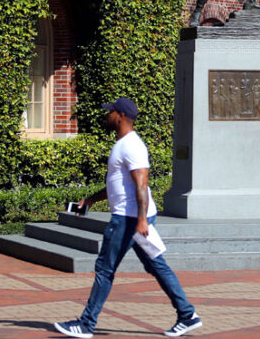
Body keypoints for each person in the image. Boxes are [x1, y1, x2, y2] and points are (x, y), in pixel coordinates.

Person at [54, 97, 202, 338]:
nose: (106, 115)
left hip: (128, 219)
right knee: (156, 265)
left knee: (104, 268)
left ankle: (86, 324)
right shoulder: (123, 144)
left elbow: (141, 184)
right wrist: (90, 200)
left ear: (120, 116)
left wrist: (141, 220)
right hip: (134, 217)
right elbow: (118, 185)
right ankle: (187, 315)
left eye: (110, 112)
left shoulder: (132, 146)